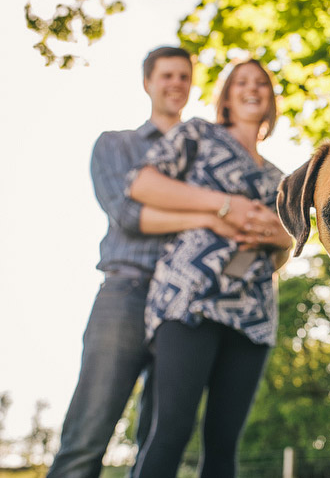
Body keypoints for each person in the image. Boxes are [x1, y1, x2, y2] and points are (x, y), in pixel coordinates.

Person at [47, 46, 257, 478]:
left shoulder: (204, 148)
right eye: (167, 76)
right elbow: (127, 213)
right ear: (148, 82)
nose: (176, 84)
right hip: (126, 292)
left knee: (159, 439)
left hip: (182, 302)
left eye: (184, 76)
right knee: (88, 434)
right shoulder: (116, 144)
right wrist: (213, 213)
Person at [126, 60, 292, 478]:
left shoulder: (281, 178)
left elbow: (281, 254)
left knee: (223, 445)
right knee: (171, 431)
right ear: (227, 96)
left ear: (271, 100)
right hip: (189, 298)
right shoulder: (198, 134)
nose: (253, 89)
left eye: (262, 84)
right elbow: (142, 185)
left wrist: (281, 238)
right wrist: (221, 207)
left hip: (251, 313)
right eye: (242, 83)